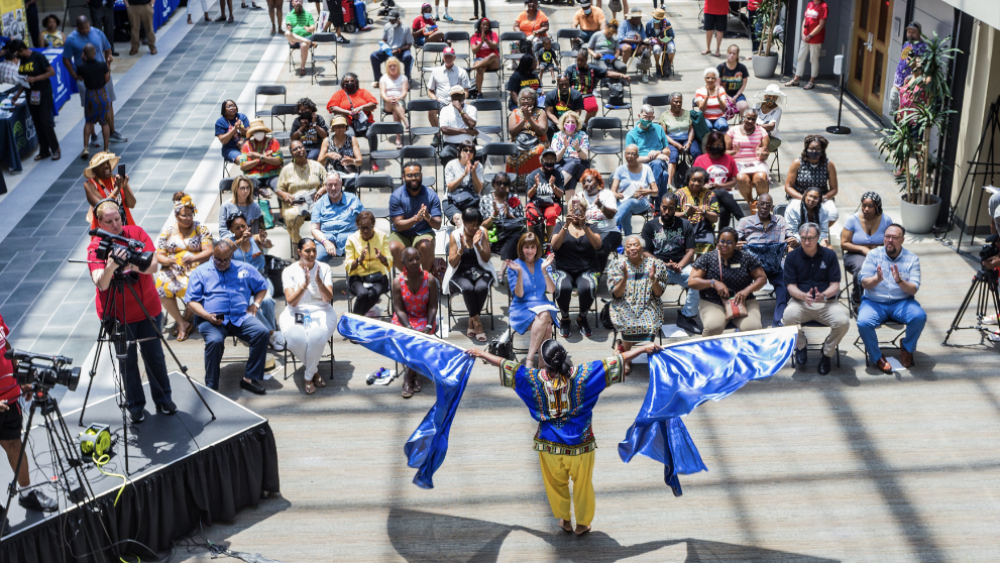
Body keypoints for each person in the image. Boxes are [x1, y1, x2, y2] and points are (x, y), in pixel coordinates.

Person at [465, 339, 660, 536]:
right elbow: (616, 360)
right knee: (583, 485)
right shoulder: (584, 375)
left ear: (544, 361)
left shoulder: (532, 378)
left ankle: (565, 520)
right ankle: (582, 524)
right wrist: (644, 348)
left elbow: (504, 364)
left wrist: (480, 354)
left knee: (555, 485)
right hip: (581, 444)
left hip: (549, 445)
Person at [88, 200, 177, 423]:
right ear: (100, 223)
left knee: (155, 357)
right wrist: (111, 265)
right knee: (127, 362)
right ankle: (135, 407)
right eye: (109, 222)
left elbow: (154, 265)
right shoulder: (95, 246)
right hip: (118, 317)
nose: (116, 224)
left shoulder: (135, 232)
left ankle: (164, 399)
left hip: (148, 310)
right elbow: (101, 283)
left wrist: (127, 265)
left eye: (117, 218)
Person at [186, 240, 270, 394]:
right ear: (213, 255)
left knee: (262, 332)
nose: (222, 263)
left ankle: (249, 379)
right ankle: (211, 387)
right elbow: (191, 301)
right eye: (218, 259)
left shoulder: (245, 268)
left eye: (226, 260)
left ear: (231, 255)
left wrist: (256, 305)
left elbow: (262, 287)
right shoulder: (201, 271)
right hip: (211, 319)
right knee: (214, 341)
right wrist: (207, 315)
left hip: (240, 316)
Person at [0, 311, 59, 517]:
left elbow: (5, 345)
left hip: (9, 397)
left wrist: (19, 377)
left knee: (14, 445)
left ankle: (26, 493)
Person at [857, 224, 926, 373]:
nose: (889, 240)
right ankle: (877, 357)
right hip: (874, 302)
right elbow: (864, 283)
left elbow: (913, 288)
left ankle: (907, 347)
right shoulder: (873, 255)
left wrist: (900, 281)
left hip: (902, 302)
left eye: (894, 238)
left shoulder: (912, 259)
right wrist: (877, 279)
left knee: (919, 316)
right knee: (863, 322)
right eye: (887, 237)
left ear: (902, 240)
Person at [782, 222, 849, 375]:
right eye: (804, 238)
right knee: (787, 317)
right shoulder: (792, 257)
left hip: (826, 303)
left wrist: (824, 295)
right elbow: (790, 286)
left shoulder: (829, 255)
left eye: (810, 238)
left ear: (818, 238)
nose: (806, 242)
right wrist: (802, 296)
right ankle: (800, 345)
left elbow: (835, 285)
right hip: (800, 302)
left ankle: (827, 353)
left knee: (843, 322)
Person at [280, 239, 338, 394]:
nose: (312, 254)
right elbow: (291, 302)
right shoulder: (289, 271)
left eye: (314, 250)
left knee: (317, 336)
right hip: (296, 311)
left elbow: (327, 298)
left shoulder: (324, 268)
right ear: (299, 252)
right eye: (307, 251)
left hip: (322, 310)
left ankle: (308, 376)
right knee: (294, 338)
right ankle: (315, 371)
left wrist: (318, 282)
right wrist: (304, 285)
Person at [156, 193, 213, 342]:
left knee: (194, 286)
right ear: (176, 216)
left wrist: (194, 257)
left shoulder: (201, 228)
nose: (188, 218)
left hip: (198, 266)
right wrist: (168, 260)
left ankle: (188, 318)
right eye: (184, 215)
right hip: (174, 268)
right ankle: (182, 322)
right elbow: (159, 254)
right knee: (161, 285)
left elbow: (209, 251)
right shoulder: (168, 231)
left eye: (190, 215)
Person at [689, 227, 767, 336]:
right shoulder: (707, 258)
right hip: (713, 301)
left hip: (743, 300)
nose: (725, 245)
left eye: (729, 242)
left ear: (736, 244)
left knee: (752, 328)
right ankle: (711, 352)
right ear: (717, 241)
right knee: (713, 327)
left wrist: (747, 290)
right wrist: (712, 283)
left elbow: (762, 278)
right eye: (722, 241)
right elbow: (692, 281)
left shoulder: (746, 257)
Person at [62, 16, 126, 148]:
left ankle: (112, 132)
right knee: (89, 107)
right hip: (85, 78)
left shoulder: (98, 33)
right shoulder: (71, 39)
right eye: (81, 29)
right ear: (77, 27)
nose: (85, 30)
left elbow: (108, 48)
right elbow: (66, 60)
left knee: (108, 103)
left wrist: (108, 63)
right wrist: (75, 76)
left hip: (102, 74)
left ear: (89, 24)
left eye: (86, 27)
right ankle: (93, 136)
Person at [642, 194, 701, 334]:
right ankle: (651, 316)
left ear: (676, 209)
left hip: (682, 266)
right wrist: (663, 264)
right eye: (664, 208)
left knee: (698, 280)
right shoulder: (650, 226)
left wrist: (680, 265)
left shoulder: (685, 224)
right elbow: (645, 252)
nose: (666, 212)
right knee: (646, 279)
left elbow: (691, 250)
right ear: (660, 207)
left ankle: (687, 315)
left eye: (670, 208)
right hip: (659, 266)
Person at [736, 193, 796, 327]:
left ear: (772, 207)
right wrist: (736, 245)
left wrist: (793, 240)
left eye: (768, 205)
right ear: (756, 205)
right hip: (752, 265)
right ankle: (743, 318)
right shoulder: (745, 222)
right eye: (762, 204)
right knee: (740, 281)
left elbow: (790, 235)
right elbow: (733, 240)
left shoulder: (780, 220)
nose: (764, 207)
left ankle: (779, 320)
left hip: (775, 263)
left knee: (784, 284)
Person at [609, 235, 664, 374]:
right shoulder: (617, 265)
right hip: (624, 303)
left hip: (649, 303)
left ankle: (621, 347)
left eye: (635, 245)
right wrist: (624, 278)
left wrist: (653, 279)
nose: (632, 248)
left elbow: (658, 293)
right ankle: (627, 358)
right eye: (629, 246)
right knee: (629, 324)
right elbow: (617, 294)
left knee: (650, 324)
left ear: (642, 247)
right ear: (625, 250)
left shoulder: (655, 265)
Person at [227, 213, 282, 351]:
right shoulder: (229, 242)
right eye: (237, 228)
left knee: (268, 301)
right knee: (250, 305)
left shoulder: (255, 239)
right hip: (241, 285)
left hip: (261, 281)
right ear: (232, 230)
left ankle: (270, 331)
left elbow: (269, 244)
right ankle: (272, 334)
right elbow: (227, 252)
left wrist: (264, 240)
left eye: (243, 226)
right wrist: (240, 240)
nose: (241, 230)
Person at [393, 247, 440, 398]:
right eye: (410, 259)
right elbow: (399, 310)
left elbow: (433, 306)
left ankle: (408, 377)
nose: (415, 262)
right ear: (403, 262)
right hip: (404, 319)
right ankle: (414, 375)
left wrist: (427, 325)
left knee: (420, 339)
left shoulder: (429, 279)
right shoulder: (397, 282)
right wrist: (408, 327)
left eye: (417, 259)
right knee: (408, 337)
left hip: (424, 319)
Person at [444, 208, 496, 342]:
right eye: (471, 225)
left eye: (477, 224)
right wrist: (461, 250)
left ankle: (471, 318)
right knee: (467, 288)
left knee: (481, 287)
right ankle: (477, 323)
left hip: (480, 270)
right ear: (464, 223)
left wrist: (477, 246)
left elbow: (486, 258)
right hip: (459, 272)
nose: (474, 228)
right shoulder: (455, 235)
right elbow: (452, 263)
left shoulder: (482, 232)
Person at [552, 196, 602, 338]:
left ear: (585, 212)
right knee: (563, 286)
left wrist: (584, 225)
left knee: (588, 286)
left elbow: (597, 245)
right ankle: (565, 318)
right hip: (563, 268)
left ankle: (582, 318)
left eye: (579, 210)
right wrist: (565, 226)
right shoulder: (560, 225)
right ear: (568, 210)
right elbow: (554, 245)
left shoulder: (591, 226)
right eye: (573, 209)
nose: (576, 212)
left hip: (587, 269)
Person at [507, 232, 559, 368]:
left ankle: (535, 361)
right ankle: (538, 362)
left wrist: (544, 271)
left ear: (537, 248)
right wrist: (519, 273)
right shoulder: (515, 265)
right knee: (546, 325)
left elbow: (552, 290)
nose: (530, 251)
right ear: (521, 248)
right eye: (526, 247)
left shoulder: (544, 263)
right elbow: (518, 294)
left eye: (533, 247)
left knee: (545, 318)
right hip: (521, 308)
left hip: (542, 305)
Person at [10, 39, 60, 161]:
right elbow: (25, 79)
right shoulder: (22, 61)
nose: (15, 57)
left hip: (44, 93)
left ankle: (55, 149)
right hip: (31, 95)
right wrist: (17, 94)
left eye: (16, 54)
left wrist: (36, 78)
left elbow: (51, 72)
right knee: (37, 122)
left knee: (45, 121)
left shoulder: (38, 57)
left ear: (21, 50)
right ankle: (44, 151)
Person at [841, 191, 893, 306]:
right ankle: (857, 299)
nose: (866, 209)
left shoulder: (886, 221)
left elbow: (892, 242)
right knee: (862, 269)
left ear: (877, 207)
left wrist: (878, 248)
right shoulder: (852, 220)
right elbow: (844, 243)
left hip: (880, 254)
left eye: (870, 206)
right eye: (864, 205)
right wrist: (862, 249)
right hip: (854, 254)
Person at [389, 162, 443, 272]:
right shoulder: (396, 196)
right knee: (392, 247)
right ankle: (408, 278)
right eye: (410, 175)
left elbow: (437, 225)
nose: (414, 178)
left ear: (421, 175)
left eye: (417, 174)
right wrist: (416, 219)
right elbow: (398, 225)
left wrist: (428, 218)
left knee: (426, 245)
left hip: (423, 232)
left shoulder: (431, 196)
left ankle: (425, 280)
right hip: (401, 234)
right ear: (403, 177)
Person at [276, 140, 327, 247]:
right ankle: (297, 245)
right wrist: (284, 195)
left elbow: (329, 182)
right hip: (296, 203)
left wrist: (323, 189)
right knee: (291, 216)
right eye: (295, 149)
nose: (299, 150)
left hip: (315, 201)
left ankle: (322, 243)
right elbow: (279, 189)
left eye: (300, 147)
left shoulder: (316, 165)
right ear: (291, 153)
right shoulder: (287, 169)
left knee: (326, 214)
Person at [784, 134, 839, 226]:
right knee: (791, 213)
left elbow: (834, 189)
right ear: (806, 149)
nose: (814, 151)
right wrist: (802, 198)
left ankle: (817, 232)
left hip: (820, 198)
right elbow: (788, 186)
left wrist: (823, 198)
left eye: (817, 149)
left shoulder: (829, 164)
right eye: (811, 149)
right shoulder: (797, 163)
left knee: (833, 214)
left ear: (822, 150)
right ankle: (797, 233)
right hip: (799, 196)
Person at [345, 211, 392, 316]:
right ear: (357, 226)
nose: (366, 230)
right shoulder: (351, 239)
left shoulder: (382, 236)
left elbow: (390, 262)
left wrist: (382, 258)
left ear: (373, 225)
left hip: (378, 277)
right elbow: (348, 266)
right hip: (357, 277)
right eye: (362, 228)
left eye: (369, 227)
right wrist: (359, 260)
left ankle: (355, 319)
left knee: (372, 294)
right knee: (363, 293)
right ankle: (357, 319)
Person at [693, 130, 744, 228]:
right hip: (705, 195)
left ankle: (722, 236)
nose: (716, 147)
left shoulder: (729, 159)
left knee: (725, 208)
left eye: (719, 145)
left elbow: (733, 182)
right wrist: (703, 185)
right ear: (709, 144)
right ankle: (743, 220)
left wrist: (719, 186)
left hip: (725, 197)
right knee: (720, 192)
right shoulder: (700, 159)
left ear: (723, 146)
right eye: (714, 144)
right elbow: (693, 180)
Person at [311, 171, 364, 263]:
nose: (333, 188)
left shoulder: (353, 200)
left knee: (363, 260)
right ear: (325, 185)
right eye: (330, 185)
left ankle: (356, 277)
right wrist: (325, 242)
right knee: (313, 261)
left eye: (336, 184)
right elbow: (314, 229)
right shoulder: (320, 203)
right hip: (325, 241)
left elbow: (364, 222)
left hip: (350, 240)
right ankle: (320, 277)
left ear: (341, 183)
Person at [326, 74, 379, 163]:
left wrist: (361, 107)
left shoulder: (363, 92)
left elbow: (373, 104)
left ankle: (373, 159)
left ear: (356, 82)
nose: (349, 83)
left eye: (352, 81)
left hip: (364, 123)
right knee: (347, 136)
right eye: (347, 82)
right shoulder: (339, 94)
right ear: (343, 84)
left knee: (372, 134)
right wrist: (349, 113)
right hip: (347, 124)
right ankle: (349, 160)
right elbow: (332, 107)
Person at [565, 50, 629, 124]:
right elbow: (565, 84)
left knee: (593, 107)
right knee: (567, 107)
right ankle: (571, 124)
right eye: (578, 60)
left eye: (582, 60)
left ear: (586, 60)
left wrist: (622, 75)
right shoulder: (570, 69)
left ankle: (585, 125)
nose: (579, 62)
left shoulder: (592, 69)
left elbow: (607, 73)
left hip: (587, 95)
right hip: (573, 96)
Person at [626, 105, 671, 207]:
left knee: (656, 164)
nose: (647, 120)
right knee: (664, 176)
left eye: (650, 118)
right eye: (645, 117)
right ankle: (659, 207)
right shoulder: (631, 135)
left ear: (653, 118)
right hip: (641, 166)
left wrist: (659, 152)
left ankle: (651, 198)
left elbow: (667, 151)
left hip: (658, 163)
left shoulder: (658, 129)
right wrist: (651, 157)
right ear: (639, 116)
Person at [611, 144, 657, 236]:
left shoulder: (646, 169)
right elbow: (613, 190)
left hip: (641, 202)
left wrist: (646, 191)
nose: (630, 156)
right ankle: (628, 239)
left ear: (637, 156)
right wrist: (617, 195)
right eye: (628, 153)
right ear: (625, 155)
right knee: (626, 209)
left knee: (629, 203)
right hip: (624, 200)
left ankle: (611, 225)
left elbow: (655, 191)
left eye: (633, 153)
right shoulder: (620, 170)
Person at [726, 108, 770, 204]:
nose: (750, 121)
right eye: (748, 118)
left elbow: (766, 154)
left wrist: (762, 154)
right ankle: (751, 203)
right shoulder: (733, 130)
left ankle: (763, 203)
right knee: (741, 178)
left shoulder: (761, 131)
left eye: (753, 119)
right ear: (743, 118)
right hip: (738, 163)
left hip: (757, 162)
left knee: (761, 177)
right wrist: (734, 152)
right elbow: (724, 153)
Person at [658, 93, 700, 192]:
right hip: (671, 140)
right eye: (675, 101)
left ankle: (696, 179)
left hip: (687, 138)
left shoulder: (687, 113)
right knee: (673, 156)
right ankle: (669, 184)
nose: (678, 104)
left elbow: (691, 130)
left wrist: (689, 142)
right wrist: (676, 144)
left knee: (696, 152)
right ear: (670, 102)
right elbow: (664, 134)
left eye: (680, 102)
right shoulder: (664, 115)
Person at [480, 172, 526, 262]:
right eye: (499, 183)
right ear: (493, 184)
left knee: (516, 236)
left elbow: (521, 224)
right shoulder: (485, 200)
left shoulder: (514, 198)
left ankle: (503, 269)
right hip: (493, 237)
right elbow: (483, 226)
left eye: (505, 184)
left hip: (511, 236)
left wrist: (509, 215)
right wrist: (494, 215)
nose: (502, 186)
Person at [84, 151, 135, 230]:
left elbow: (132, 204)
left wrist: (124, 186)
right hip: (106, 231)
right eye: (101, 165)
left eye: (107, 163)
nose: (106, 166)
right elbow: (104, 207)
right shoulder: (90, 184)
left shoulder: (117, 180)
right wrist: (118, 188)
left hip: (126, 226)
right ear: (94, 169)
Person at [507, 88, 549, 182]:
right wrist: (523, 120)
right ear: (519, 100)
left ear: (534, 100)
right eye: (523, 99)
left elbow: (542, 131)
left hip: (537, 141)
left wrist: (529, 119)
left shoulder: (541, 113)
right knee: (512, 155)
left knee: (537, 152)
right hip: (519, 142)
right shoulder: (515, 113)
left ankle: (535, 181)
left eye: (529, 99)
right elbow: (512, 131)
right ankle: (517, 182)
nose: (525, 101)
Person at [784, 0, 827, 91]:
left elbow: (821, 24)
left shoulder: (823, 6)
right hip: (805, 37)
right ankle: (796, 79)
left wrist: (810, 35)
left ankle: (812, 80)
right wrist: (803, 33)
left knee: (813, 59)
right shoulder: (810, 4)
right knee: (800, 57)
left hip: (815, 38)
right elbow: (805, 19)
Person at [675, 166, 719, 255]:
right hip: (683, 230)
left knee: (709, 243)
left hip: (704, 229)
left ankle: (700, 267)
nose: (696, 183)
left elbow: (715, 218)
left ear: (704, 182)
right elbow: (672, 214)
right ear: (688, 180)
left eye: (700, 181)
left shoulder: (710, 195)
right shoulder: (679, 194)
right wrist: (686, 214)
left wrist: (704, 212)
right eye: (693, 180)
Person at [77, 43, 110, 158]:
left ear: (84, 55)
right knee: (105, 122)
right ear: (95, 53)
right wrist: (108, 65)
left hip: (90, 95)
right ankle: (106, 149)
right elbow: (107, 79)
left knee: (89, 122)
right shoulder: (102, 65)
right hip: (102, 94)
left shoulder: (82, 67)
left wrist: (83, 62)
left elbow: (80, 78)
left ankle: (86, 148)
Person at [526, 149, 565, 240]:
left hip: (553, 203)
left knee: (551, 214)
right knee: (530, 213)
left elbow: (560, 195)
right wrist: (535, 186)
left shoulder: (558, 174)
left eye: (552, 159)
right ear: (542, 160)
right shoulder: (534, 174)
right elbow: (529, 195)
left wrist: (553, 186)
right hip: (535, 202)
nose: (549, 161)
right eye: (547, 159)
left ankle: (550, 244)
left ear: (555, 161)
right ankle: (533, 241)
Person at [427, 48, 471, 128]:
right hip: (441, 101)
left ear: (454, 57)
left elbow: (466, 91)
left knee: (469, 106)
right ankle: (437, 133)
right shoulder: (436, 71)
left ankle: (466, 130)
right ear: (443, 57)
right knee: (430, 109)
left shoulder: (461, 72)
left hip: (457, 101)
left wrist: (460, 101)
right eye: (446, 56)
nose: (448, 59)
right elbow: (430, 91)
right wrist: (435, 98)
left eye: (450, 57)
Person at [443, 140, 484, 226]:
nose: (468, 152)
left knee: (473, 223)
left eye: (471, 151)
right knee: (460, 221)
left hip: (471, 201)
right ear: (459, 152)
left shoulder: (478, 166)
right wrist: (464, 175)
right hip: (452, 200)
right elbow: (450, 188)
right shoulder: (451, 165)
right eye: (465, 150)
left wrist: (473, 173)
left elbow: (478, 190)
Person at [890, 22, 927, 114]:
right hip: (897, 86)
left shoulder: (923, 48)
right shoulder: (906, 44)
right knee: (895, 116)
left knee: (903, 117)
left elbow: (923, 69)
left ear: (920, 33)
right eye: (909, 31)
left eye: (913, 32)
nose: (910, 34)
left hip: (907, 90)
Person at [439, 85, 480, 166]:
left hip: (469, 144)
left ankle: (473, 175)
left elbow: (471, 124)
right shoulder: (445, 110)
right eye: (454, 96)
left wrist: (460, 109)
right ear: (451, 97)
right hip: (451, 145)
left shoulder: (471, 108)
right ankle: (452, 176)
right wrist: (466, 131)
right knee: (444, 155)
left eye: (459, 95)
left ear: (464, 96)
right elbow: (444, 129)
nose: (456, 98)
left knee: (481, 154)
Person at [551, 111, 590, 194]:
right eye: (567, 122)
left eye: (573, 122)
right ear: (563, 123)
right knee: (570, 176)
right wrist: (564, 148)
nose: (570, 124)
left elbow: (584, 156)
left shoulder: (582, 135)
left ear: (577, 124)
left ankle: (556, 188)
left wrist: (578, 148)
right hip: (561, 164)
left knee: (573, 164)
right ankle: (571, 206)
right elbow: (556, 159)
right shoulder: (557, 136)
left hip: (579, 164)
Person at [371, 10, 413, 87]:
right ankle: (378, 79)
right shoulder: (387, 26)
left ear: (398, 19)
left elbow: (409, 45)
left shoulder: (406, 28)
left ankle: (407, 79)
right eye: (390, 20)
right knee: (374, 56)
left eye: (393, 20)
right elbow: (384, 39)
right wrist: (383, 45)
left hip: (401, 50)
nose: (391, 22)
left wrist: (399, 50)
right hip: (389, 50)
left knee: (408, 57)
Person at [318, 116, 362, 189]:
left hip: (348, 172)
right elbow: (319, 163)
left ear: (346, 127)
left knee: (350, 185)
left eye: (343, 126)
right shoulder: (327, 141)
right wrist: (326, 156)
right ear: (333, 128)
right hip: (331, 173)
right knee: (331, 185)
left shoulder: (352, 139)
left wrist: (352, 161)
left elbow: (360, 162)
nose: (341, 129)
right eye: (338, 127)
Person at [238, 119, 284, 185]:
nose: (258, 133)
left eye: (260, 131)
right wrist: (260, 159)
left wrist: (259, 156)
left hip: (273, 174)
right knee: (250, 188)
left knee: (278, 186)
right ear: (252, 134)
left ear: (264, 131)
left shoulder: (273, 142)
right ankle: (259, 191)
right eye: (255, 132)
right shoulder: (247, 145)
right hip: (253, 176)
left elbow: (278, 161)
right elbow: (243, 166)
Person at [218, 175, 264, 240]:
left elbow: (257, 230)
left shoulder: (255, 206)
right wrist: (237, 240)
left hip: (250, 240)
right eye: (242, 188)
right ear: (235, 189)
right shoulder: (225, 206)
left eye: (248, 188)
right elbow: (223, 231)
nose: (245, 191)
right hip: (232, 241)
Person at [379, 57, 409, 149]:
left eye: (394, 65)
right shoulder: (384, 78)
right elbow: (382, 93)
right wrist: (389, 99)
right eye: (390, 66)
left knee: (396, 112)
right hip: (387, 103)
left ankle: (398, 139)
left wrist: (398, 98)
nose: (392, 67)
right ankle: (407, 123)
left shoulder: (403, 78)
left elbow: (404, 92)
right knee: (393, 103)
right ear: (387, 67)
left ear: (398, 66)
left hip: (400, 102)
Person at [543, 76, 585, 143]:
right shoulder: (550, 95)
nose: (564, 87)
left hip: (571, 119)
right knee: (549, 126)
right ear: (557, 84)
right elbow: (549, 113)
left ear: (569, 83)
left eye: (566, 84)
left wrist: (570, 122)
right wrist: (560, 124)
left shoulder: (577, 95)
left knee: (583, 126)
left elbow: (578, 112)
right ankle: (552, 145)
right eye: (561, 85)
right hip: (556, 120)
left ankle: (579, 145)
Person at [470, 17, 501, 97]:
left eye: (487, 25)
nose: (485, 26)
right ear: (480, 25)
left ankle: (472, 68)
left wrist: (486, 40)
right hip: (480, 60)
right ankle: (479, 93)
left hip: (493, 61)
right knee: (480, 69)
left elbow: (494, 47)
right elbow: (474, 51)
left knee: (493, 55)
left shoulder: (493, 34)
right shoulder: (475, 36)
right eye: (483, 24)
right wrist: (481, 43)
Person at [285, 0, 315, 76]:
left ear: (302, 3)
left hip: (305, 37)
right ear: (292, 3)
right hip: (293, 39)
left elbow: (313, 27)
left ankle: (302, 67)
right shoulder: (289, 15)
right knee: (287, 33)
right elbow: (288, 24)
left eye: (300, 1)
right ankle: (310, 42)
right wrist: (288, 27)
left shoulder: (308, 14)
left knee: (304, 45)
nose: (298, 3)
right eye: (296, 1)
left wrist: (309, 29)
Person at [695, 67, 730, 132]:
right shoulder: (699, 90)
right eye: (708, 78)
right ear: (705, 79)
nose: (710, 80)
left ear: (716, 79)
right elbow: (702, 109)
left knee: (723, 126)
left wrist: (719, 98)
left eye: (712, 78)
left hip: (719, 117)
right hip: (705, 117)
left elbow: (723, 108)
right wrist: (707, 97)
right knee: (708, 127)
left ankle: (723, 141)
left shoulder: (720, 89)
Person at [717, 45, 750, 114]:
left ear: (737, 55)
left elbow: (743, 85)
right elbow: (717, 85)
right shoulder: (721, 67)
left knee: (744, 106)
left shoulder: (742, 68)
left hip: (737, 95)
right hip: (723, 95)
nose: (731, 55)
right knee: (721, 106)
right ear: (727, 53)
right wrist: (727, 97)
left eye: (734, 53)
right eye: (730, 53)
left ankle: (742, 123)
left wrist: (736, 96)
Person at [216, 99, 249, 164]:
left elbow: (249, 134)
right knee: (243, 160)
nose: (231, 108)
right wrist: (234, 129)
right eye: (228, 107)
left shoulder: (242, 117)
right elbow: (223, 140)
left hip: (246, 145)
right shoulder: (220, 122)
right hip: (230, 148)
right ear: (224, 110)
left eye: (233, 105)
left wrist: (240, 128)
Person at [753, 84, 784, 152]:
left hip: (772, 138)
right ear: (765, 96)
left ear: (776, 98)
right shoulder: (757, 105)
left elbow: (771, 126)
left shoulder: (777, 110)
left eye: (774, 97)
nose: (771, 99)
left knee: (755, 148)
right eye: (769, 96)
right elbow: (750, 118)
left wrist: (756, 125)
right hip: (754, 135)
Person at [616, 9, 647, 77]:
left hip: (637, 47)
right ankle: (622, 70)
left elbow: (644, 37)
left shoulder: (640, 25)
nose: (639, 20)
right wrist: (635, 41)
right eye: (637, 19)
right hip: (624, 46)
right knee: (627, 48)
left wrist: (647, 41)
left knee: (647, 49)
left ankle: (644, 72)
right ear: (632, 18)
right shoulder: (624, 23)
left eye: (640, 18)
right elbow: (620, 38)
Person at [646, 8, 675, 78]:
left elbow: (672, 35)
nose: (656, 20)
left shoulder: (667, 23)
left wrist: (667, 40)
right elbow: (646, 36)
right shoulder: (649, 24)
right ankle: (657, 65)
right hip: (655, 42)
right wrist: (652, 39)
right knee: (656, 49)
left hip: (666, 41)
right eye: (655, 18)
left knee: (672, 49)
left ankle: (668, 65)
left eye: (658, 19)